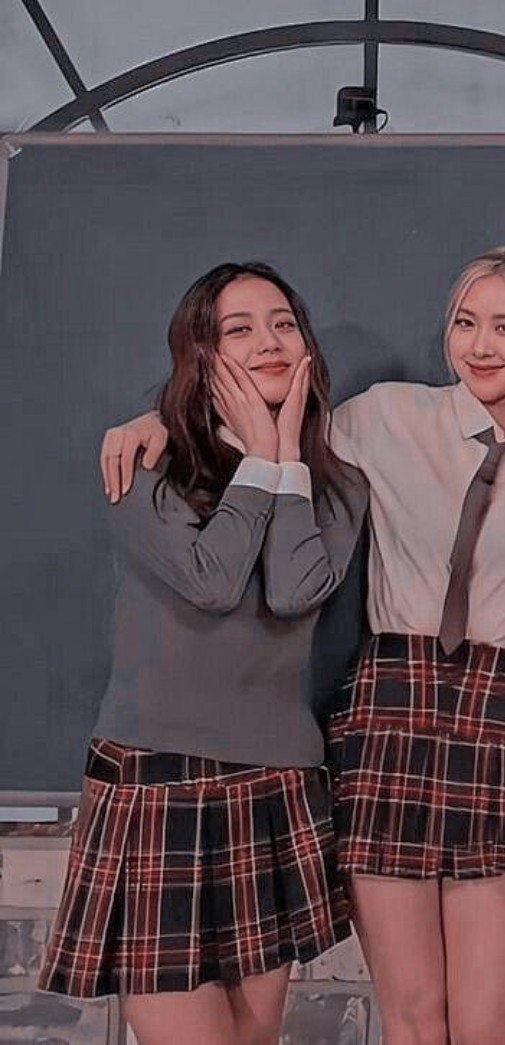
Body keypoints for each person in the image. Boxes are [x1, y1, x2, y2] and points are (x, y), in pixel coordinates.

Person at [99, 246, 505, 1045]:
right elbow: (229, 538)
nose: (482, 344)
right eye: (466, 322)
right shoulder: (381, 417)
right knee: (411, 1013)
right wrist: (162, 417)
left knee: (486, 1019)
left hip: (495, 707)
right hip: (378, 706)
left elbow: (294, 581)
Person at [41, 261, 368, 1045]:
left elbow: (293, 590)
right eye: (240, 329)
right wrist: (258, 458)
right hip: (157, 780)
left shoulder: (339, 486)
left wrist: (284, 456)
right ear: (202, 352)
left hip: (274, 783)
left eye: (284, 324)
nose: (269, 341)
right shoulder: (141, 462)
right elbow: (212, 579)